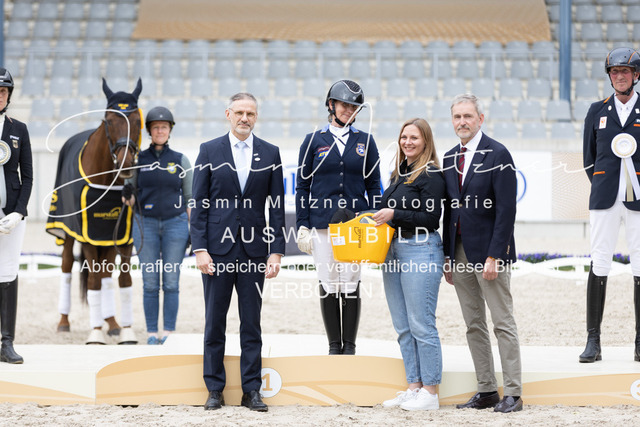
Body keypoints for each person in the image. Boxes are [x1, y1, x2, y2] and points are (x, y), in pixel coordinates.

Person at [190, 93, 285, 412]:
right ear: (228, 114)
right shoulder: (209, 150)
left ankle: (251, 390)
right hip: (216, 252)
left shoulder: (270, 152)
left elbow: (276, 207)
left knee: (251, 324)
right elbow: (198, 203)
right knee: (214, 322)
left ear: (256, 117)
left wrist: (276, 251)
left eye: (251, 113)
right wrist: (200, 249)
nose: (245, 118)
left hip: (255, 252)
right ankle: (214, 389)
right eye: (240, 112)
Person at [442, 93, 522, 413]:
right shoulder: (449, 157)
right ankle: (487, 389)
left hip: (489, 253)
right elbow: (450, 211)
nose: (462, 122)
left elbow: (506, 210)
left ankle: (513, 392)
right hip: (460, 251)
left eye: (468, 116)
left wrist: (495, 255)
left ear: (480, 119)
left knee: (502, 322)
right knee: (473, 324)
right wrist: (448, 256)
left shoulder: (498, 154)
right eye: (457, 117)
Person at [295, 79, 381, 355]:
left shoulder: (366, 141)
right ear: (331, 105)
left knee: (351, 281)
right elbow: (302, 186)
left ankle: (350, 345)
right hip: (322, 223)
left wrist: (373, 221)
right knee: (328, 281)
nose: (349, 110)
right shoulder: (313, 140)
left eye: (354, 107)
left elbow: (373, 186)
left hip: (355, 224)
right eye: (344, 105)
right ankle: (334, 345)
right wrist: (302, 225)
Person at [374, 118, 445, 411]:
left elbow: (431, 218)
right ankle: (414, 387)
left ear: (426, 141)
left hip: (420, 250)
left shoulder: (431, 174)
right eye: (404, 137)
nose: (407, 142)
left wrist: (394, 214)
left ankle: (430, 392)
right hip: (394, 251)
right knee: (403, 325)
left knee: (421, 324)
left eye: (414, 137)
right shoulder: (400, 172)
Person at [582, 47, 640, 364]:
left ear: (636, 75)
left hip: (639, 199)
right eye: (615, 72)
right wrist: (605, 184)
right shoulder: (597, 111)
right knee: (600, 262)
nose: (619, 76)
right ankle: (593, 340)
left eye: (625, 71)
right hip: (604, 198)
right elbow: (589, 159)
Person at [122, 106, 192, 345]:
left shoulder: (181, 160)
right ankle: (152, 332)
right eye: (155, 127)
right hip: (146, 225)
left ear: (169, 130)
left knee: (171, 282)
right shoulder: (138, 160)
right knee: (150, 282)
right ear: (149, 131)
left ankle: (168, 332)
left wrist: (193, 230)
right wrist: (126, 194)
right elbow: (130, 200)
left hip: (176, 224)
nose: (160, 131)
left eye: (164, 127)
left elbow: (190, 198)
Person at [0, 67, 32, 364]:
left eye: (3, 92)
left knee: (8, 273)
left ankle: (7, 343)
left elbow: (28, 176)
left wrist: (19, 212)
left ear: (8, 95)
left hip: (10, 214)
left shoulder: (18, 129)